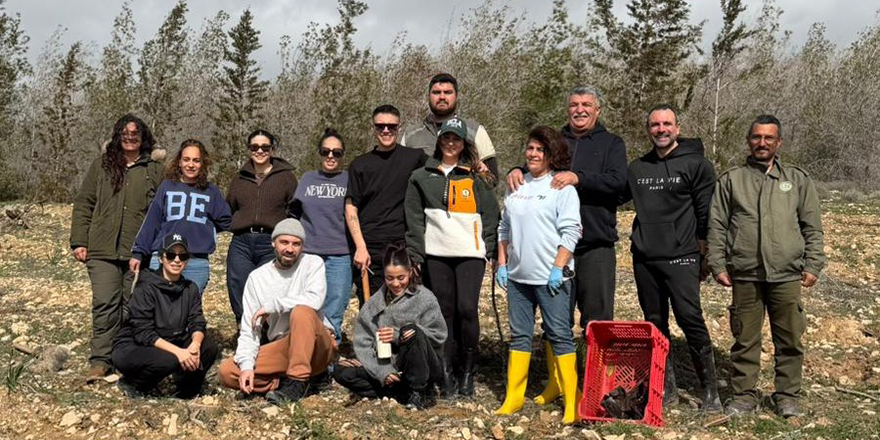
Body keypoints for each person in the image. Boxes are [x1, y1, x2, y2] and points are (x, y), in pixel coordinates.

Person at [707, 115, 826, 418]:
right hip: (745, 273)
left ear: (779, 142)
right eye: (757, 137)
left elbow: (812, 226)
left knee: (789, 338)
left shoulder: (797, 179)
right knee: (745, 340)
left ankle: (787, 397)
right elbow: (717, 226)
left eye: (768, 138)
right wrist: (717, 263)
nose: (762, 143)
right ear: (749, 141)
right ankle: (744, 396)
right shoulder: (732, 179)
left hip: (787, 274)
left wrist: (813, 264)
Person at [619, 105, 720, 411]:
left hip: (682, 256)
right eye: (654, 124)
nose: (660, 129)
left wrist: (705, 256)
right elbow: (610, 192)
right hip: (645, 257)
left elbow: (706, 214)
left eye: (666, 124)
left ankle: (710, 392)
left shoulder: (697, 165)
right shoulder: (637, 168)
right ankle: (666, 388)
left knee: (690, 319)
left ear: (677, 128)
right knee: (655, 322)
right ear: (648, 129)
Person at [506, 86, 627, 334]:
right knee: (556, 318)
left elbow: (618, 182)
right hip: (554, 247)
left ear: (597, 110)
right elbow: (536, 162)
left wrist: (578, 177)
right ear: (567, 109)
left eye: (586, 105)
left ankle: (596, 372)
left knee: (598, 322)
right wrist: (517, 169)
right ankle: (560, 372)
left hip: (595, 244)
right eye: (574, 105)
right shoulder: (556, 140)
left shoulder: (612, 143)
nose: (579, 110)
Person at [404, 117, 499, 397]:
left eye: (456, 139)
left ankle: (467, 372)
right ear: (439, 140)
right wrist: (415, 254)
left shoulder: (476, 177)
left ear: (463, 143)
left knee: (467, 309)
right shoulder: (421, 176)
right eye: (446, 138)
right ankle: (445, 371)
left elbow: (491, 216)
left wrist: (490, 250)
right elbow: (414, 219)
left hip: (470, 254)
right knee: (443, 312)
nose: (450, 143)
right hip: (436, 254)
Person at [495, 126, 582, 425]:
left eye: (540, 150)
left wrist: (558, 267)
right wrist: (502, 263)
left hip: (551, 277)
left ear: (551, 154)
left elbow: (572, 231)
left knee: (559, 334)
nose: (533, 154)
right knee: (519, 335)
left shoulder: (562, 188)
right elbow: (504, 227)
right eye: (530, 148)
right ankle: (514, 397)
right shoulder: (516, 184)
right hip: (519, 277)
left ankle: (572, 398)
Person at [70, 113, 165, 383]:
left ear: (143, 137)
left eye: (135, 134)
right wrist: (79, 240)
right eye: (125, 134)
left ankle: (124, 357)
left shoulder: (155, 170)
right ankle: (100, 360)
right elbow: (84, 202)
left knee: (132, 306)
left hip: (139, 250)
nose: (130, 138)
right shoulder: (101, 165)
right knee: (105, 303)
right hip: (101, 249)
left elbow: (161, 211)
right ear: (117, 136)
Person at [218, 218, 336, 405]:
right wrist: (247, 366)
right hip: (284, 347)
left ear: (302, 246)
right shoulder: (258, 278)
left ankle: (297, 381)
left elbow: (315, 299)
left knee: (302, 312)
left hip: (317, 344)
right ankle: (286, 381)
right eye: (284, 242)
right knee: (228, 372)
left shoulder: (313, 264)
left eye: (296, 244)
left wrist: (273, 306)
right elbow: (250, 329)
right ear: (273, 242)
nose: (290, 249)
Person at [333, 244, 447, 410]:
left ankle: (420, 392)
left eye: (401, 278)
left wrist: (398, 336)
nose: (395, 283)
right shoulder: (373, 304)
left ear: (410, 273)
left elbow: (439, 336)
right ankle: (402, 393)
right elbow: (363, 344)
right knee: (341, 371)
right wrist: (382, 371)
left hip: (424, 366)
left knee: (411, 331)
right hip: (389, 365)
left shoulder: (425, 299)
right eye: (389, 278)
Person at [112, 234, 219, 398]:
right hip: (135, 345)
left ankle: (186, 390)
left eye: (182, 256)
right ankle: (134, 384)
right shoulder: (146, 286)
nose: (177, 260)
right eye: (171, 255)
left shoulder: (190, 288)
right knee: (169, 359)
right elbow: (143, 333)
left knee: (208, 347)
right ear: (161, 258)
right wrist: (179, 352)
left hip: (170, 340)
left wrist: (195, 346)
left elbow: (197, 321)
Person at [346, 105, 427, 305]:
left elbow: (445, 169)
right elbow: (350, 207)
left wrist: (477, 166)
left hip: (403, 244)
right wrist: (360, 247)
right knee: (373, 305)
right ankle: (375, 338)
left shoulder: (415, 158)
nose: (386, 130)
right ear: (373, 128)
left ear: (399, 128)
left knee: (406, 304)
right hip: (370, 246)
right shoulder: (360, 164)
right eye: (380, 126)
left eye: (391, 126)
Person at [130, 139, 232, 294]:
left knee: (189, 310)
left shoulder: (211, 191)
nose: (190, 165)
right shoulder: (167, 186)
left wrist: (203, 230)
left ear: (203, 164)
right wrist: (138, 253)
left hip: (196, 261)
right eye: (186, 159)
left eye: (196, 161)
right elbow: (153, 221)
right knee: (161, 308)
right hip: (164, 258)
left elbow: (225, 220)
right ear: (179, 162)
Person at [226, 129, 298, 324]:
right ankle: (245, 327)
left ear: (272, 149)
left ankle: (268, 331)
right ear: (249, 149)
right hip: (241, 241)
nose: (260, 151)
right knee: (238, 284)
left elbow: (295, 210)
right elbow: (229, 207)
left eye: (265, 147)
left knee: (269, 286)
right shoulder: (239, 179)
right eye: (255, 147)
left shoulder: (286, 178)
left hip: (270, 241)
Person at [290, 128, 352, 342]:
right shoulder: (307, 179)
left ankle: (327, 366)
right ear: (319, 153)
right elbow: (294, 214)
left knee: (333, 312)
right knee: (306, 308)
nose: (331, 156)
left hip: (340, 255)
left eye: (337, 152)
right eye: (326, 151)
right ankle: (305, 360)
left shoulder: (349, 179)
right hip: (309, 254)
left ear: (343, 155)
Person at [401, 72, 499, 181]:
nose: (442, 97)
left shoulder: (475, 130)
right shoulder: (410, 134)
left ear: (456, 96)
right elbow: (401, 175)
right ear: (429, 96)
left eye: (447, 92)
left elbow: (493, 178)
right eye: (436, 92)